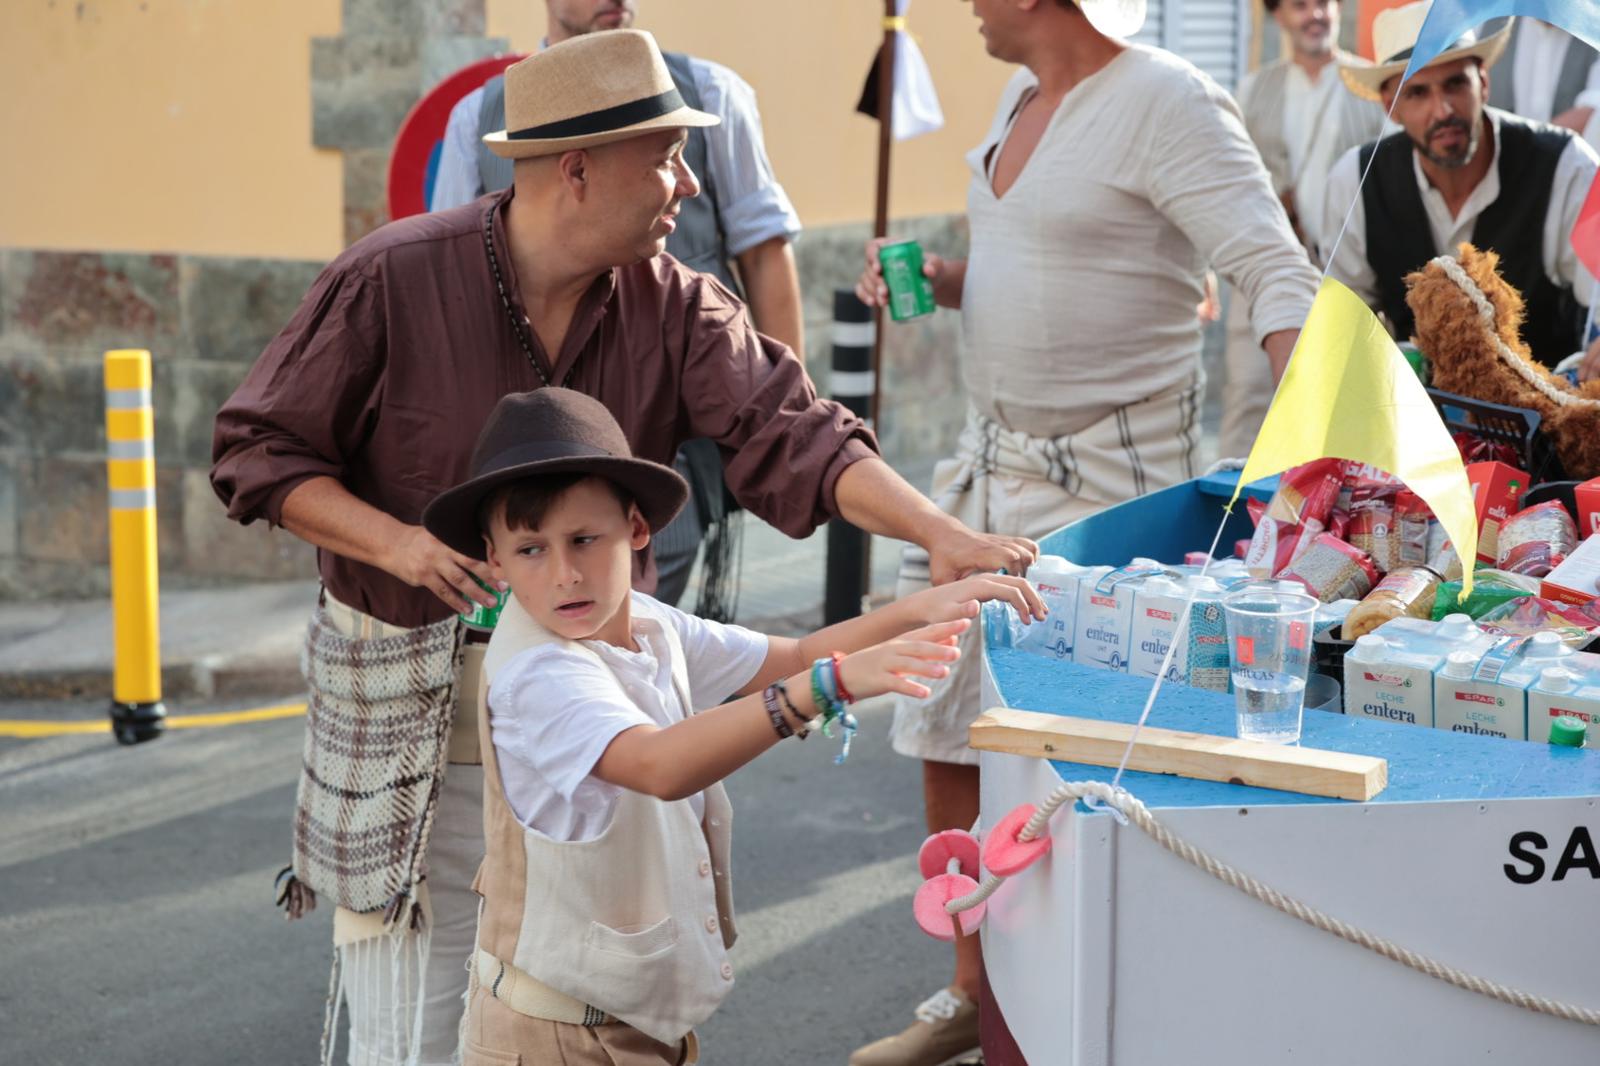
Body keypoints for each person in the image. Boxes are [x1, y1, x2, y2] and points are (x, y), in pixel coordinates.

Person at [211, 31, 1036, 1066]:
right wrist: (402, 544)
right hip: (416, 714)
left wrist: (941, 536)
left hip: (594, 697)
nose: (687, 184)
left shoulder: (675, 298)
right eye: (667, 156)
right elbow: (255, 450)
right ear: (576, 169)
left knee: (597, 994)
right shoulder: (394, 277)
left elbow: (795, 430)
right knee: (417, 1024)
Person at [849, 1, 1320, 1062]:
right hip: (990, 478)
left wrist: (1304, 471)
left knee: (1082, 770)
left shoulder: (1168, 100)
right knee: (947, 728)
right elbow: (1039, 257)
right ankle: (972, 988)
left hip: (1114, 493)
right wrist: (948, 280)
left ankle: (1098, 1008)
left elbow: (1275, 267)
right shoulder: (1018, 99)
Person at [419, 387, 1046, 1066]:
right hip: (554, 1037)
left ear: (636, 530)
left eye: (583, 539)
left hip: (628, 1022)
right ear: (495, 559)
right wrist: (828, 688)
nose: (564, 574)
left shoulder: (650, 625)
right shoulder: (539, 671)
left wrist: (925, 606)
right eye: (531, 550)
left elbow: (796, 653)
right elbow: (658, 764)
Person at [431, 0, 805, 610]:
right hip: (531, 437)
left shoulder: (712, 89)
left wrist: (776, 423)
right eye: (664, 159)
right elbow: (453, 271)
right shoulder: (475, 116)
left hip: (671, 429)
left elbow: (765, 254)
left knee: (645, 592)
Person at [1323, 1, 1600, 370]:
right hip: (1411, 415)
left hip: (1548, 413)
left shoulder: (1565, 165)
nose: (1443, 111)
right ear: (1391, 105)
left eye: (1455, 84)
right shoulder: (1355, 179)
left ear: (1483, 83)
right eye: (1418, 92)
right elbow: (1340, 325)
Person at [1219, 0, 1386, 457]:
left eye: (1324, 3)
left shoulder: (1372, 85)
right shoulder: (1254, 88)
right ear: (1278, 17)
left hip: (1347, 274)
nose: (1315, 14)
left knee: (1340, 403)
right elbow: (1230, 178)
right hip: (1263, 270)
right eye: (1300, 5)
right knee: (1250, 399)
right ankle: (1226, 512)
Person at [1487, 16, 1600, 141]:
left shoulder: (1595, 26)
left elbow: (1594, 108)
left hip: (1572, 157)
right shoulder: (1487, 18)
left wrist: (1526, 149)